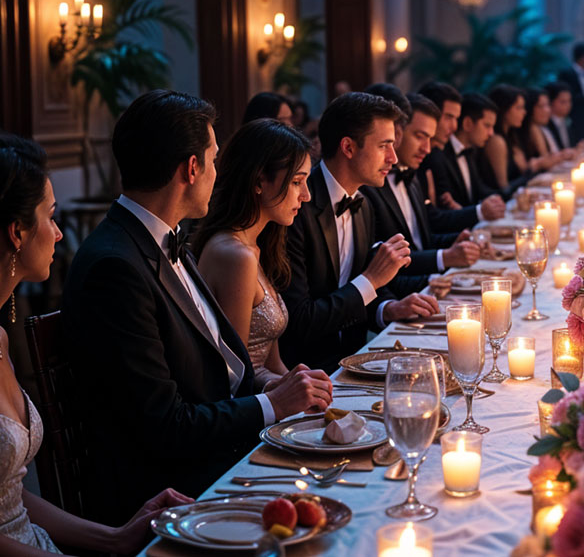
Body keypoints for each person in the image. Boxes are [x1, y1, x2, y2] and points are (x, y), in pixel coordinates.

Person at [62, 90, 334, 525]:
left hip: (218, 448)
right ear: (192, 169)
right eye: (213, 158)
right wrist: (273, 407)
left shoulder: (166, 242)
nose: (218, 171)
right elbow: (163, 427)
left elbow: (224, 368)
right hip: (172, 488)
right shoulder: (115, 266)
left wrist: (277, 391)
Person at [0, 134, 196, 555]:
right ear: (17, 232)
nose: (57, 234)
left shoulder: (1, 338)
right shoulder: (115, 265)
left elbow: (11, 498)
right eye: (50, 218)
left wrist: (117, 536)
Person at [279, 92, 439, 371]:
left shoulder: (362, 204)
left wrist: (387, 309)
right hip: (307, 371)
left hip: (356, 359)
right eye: (384, 146)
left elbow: (354, 295)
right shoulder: (296, 207)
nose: (393, 157)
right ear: (348, 147)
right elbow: (300, 321)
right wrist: (371, 280)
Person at [193, 120, 312, 390]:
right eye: (297, 182)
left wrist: (302, 385)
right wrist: (287, 390)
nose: (306, 195)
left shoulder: (258, 246)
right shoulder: (236, 256)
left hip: (266, 397)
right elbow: (236, 376)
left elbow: (273, 363)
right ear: (259, 180)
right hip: (247, 412)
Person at [361, 92, 479, 293]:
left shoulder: (412, 176)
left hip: (422, 288)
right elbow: (384, 263)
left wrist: (460, 242)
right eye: (419, 136)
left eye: (430, 139)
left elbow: (421, 239)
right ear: (397, 134)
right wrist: (445, 257)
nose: (427, 149)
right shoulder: (367, 187)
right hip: (403, 294)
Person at [418, 83, 506, 221]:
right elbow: (435, 218)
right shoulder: (435, 155)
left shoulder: (466, 151)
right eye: (448, 117)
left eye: (456, 118)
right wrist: (478, 212)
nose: (454, 126)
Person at [483, 84, 534, 194]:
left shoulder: (511, 136)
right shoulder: (497, 141)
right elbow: (504, 189)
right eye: (519, 108)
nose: (524, 112)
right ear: (504, 110)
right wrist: (532, 168)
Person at [519, 87, 575, 166]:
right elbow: (544, 163)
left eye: (547, 105)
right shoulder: (530, 131)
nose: (547, 110)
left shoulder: (543, 128)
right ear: (530, 108)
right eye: (541, 106)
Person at [544, 81, 574, 152]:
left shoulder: (568, 122)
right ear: (551, 102)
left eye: (569, 101)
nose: (568, 105)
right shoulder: (546, 124)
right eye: (563, 102)